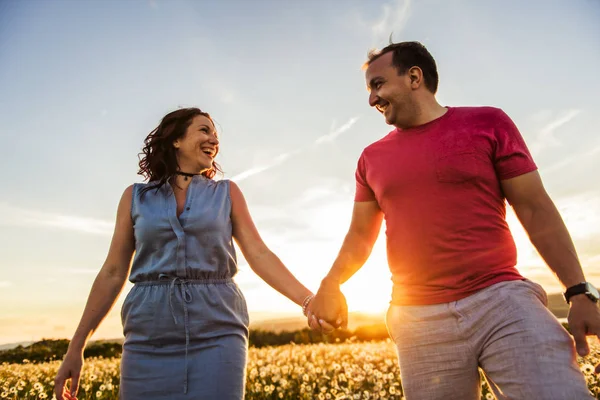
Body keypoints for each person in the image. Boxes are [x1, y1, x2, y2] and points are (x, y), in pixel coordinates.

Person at [306, 41, 599, 399]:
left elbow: (536, 208)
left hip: (503, 299)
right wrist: (331, 283)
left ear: (414, 77)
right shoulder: (370, 158)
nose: (372, 99)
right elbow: (359, 235)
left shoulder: (488, 123)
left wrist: (579, 291)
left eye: (378, 85)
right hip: (417, 317)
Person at [53, 107, 331, 400]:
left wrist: (308, 300)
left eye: (215, 134)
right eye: (204, 130)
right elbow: (112, 272)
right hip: (148, 336)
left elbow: (259, 254)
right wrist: (77, 347)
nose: (214, 139)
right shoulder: (135, 198)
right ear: (175, 140)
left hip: (218, 330)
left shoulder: (227, 193)